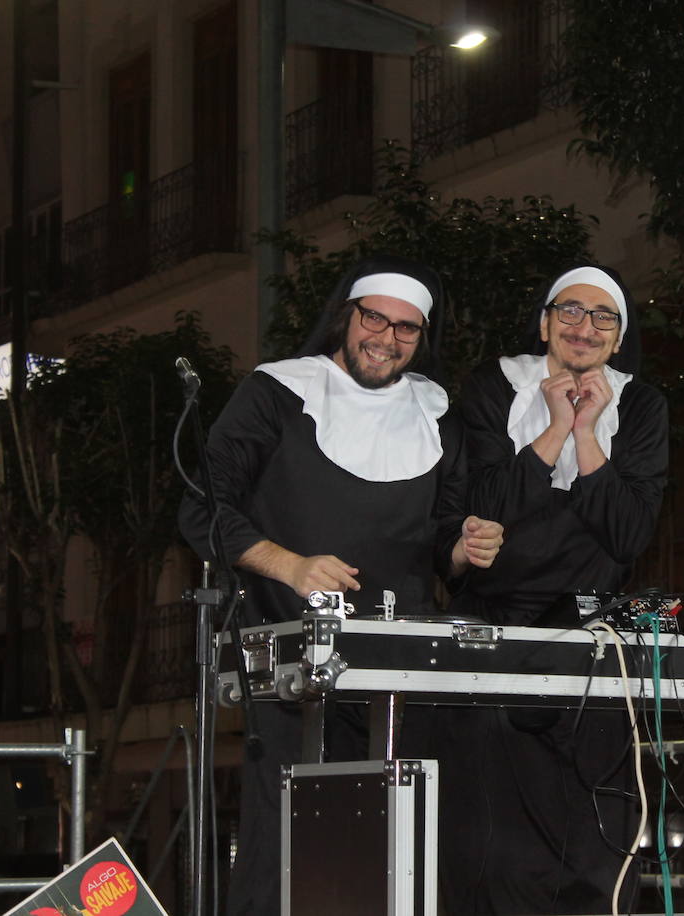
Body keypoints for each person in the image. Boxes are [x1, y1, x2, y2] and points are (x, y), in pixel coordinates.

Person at [177, 254, 503, 916]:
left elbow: (444, 541)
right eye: (374, 319)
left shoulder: (437, 415)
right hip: (292, 672)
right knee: (287, 853)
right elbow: (201, 507)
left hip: (399, 676)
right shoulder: (276, 393)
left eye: (406, 329)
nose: (386, 338)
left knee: (399, 853)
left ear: (422, 338)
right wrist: (289, 565)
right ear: (344, 317)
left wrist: (468, 547)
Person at [443, 263, 670, 914]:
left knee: (594, 844)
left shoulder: (642, 405)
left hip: (592, 644)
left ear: (618, 338)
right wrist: (551, 426)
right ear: (544, 322)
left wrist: (590, 433)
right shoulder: (494, 387)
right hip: (492, 635)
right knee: (495, 847)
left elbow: (628, 535)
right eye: (570, 311)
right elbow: (485, 504)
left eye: (604, 317)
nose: (584, 327)